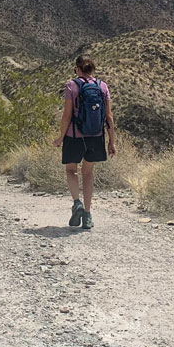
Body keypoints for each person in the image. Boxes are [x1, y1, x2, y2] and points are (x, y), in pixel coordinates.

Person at [52, 55, 116, 230]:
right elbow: (109, 116)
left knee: (71, 171)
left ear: (77, 69)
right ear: (93, 69)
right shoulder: (103, 86)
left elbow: (67, 115)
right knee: (88, 174)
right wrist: (112, 141)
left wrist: (60, 137)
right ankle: (87, 215)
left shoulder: (72, 86)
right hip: (96, 137)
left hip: (74, 136)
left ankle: (77, 203)